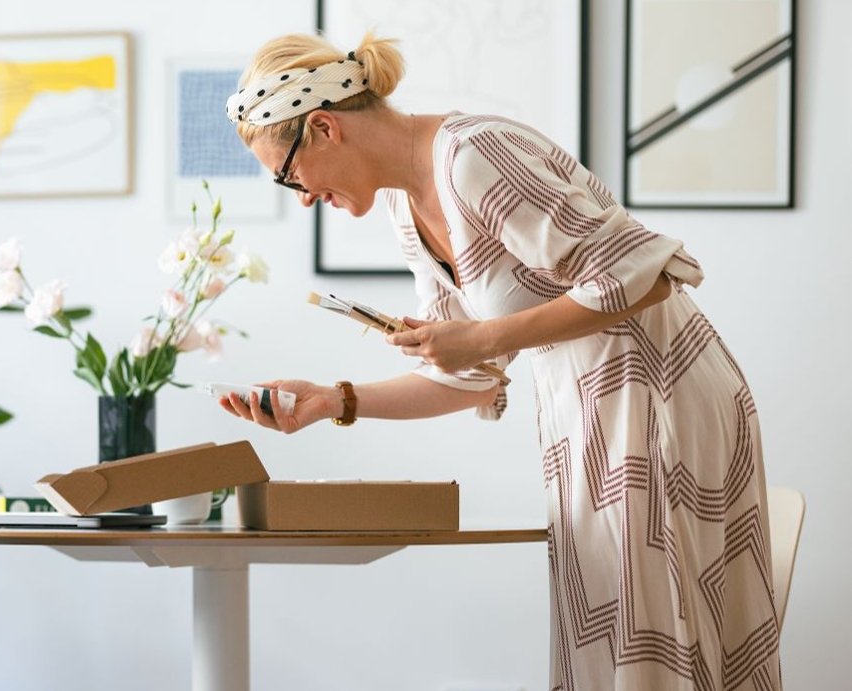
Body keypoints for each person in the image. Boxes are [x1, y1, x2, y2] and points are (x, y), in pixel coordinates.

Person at [217, 31, 781, 691]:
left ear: (322, 128)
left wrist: (484, 337)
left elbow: (648, 273)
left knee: (651, 648)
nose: (302, 196)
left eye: (288, 177)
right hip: (585, 419)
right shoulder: (405, 206)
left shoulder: (472, 156)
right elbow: (463, 376)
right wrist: (333, 400)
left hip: (658, 396)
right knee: (615, 645)